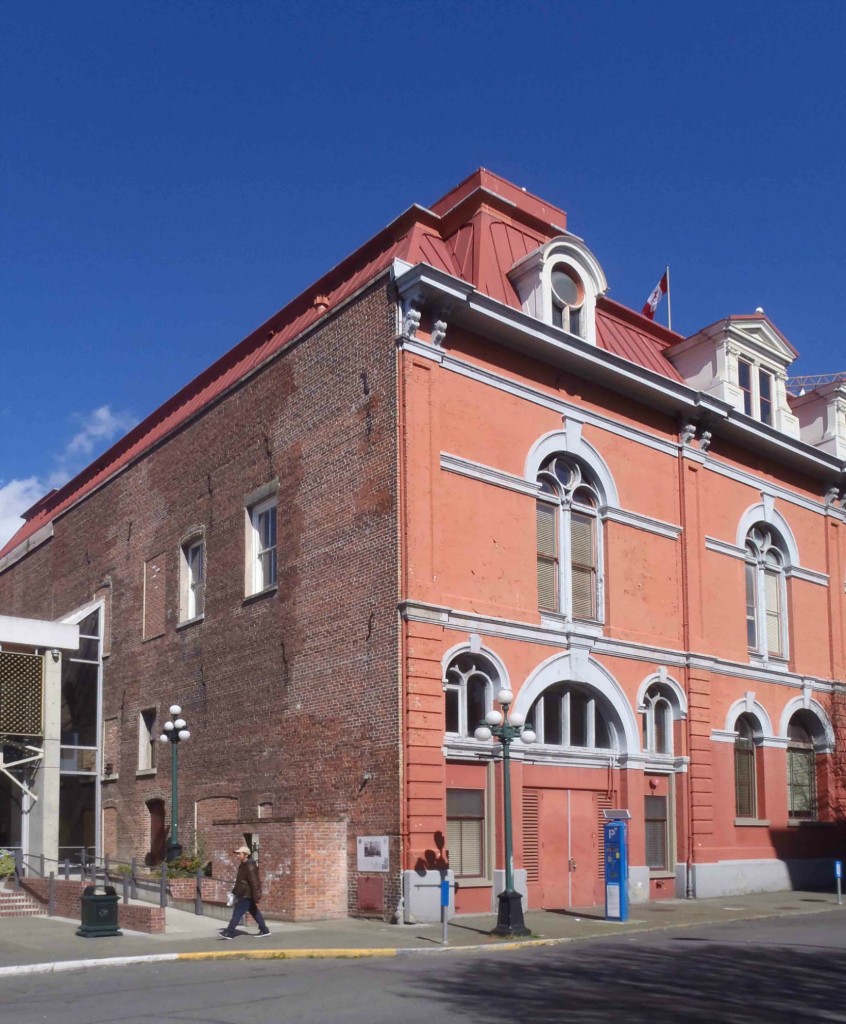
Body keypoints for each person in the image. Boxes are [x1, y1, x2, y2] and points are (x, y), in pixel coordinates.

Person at [219, 844, 271, 939]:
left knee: (237, 913)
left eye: (239, 854)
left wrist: (257, 897)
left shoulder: (249, 866)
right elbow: (240, 881)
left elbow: (255, 882)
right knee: (254, 912)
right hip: (245, 893)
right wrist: (234, 893)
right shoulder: (243, 865)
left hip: (246, 895)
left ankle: (229, 932)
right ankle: (264, 930)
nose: (237, 855)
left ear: (246, 855)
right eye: (237, 854)